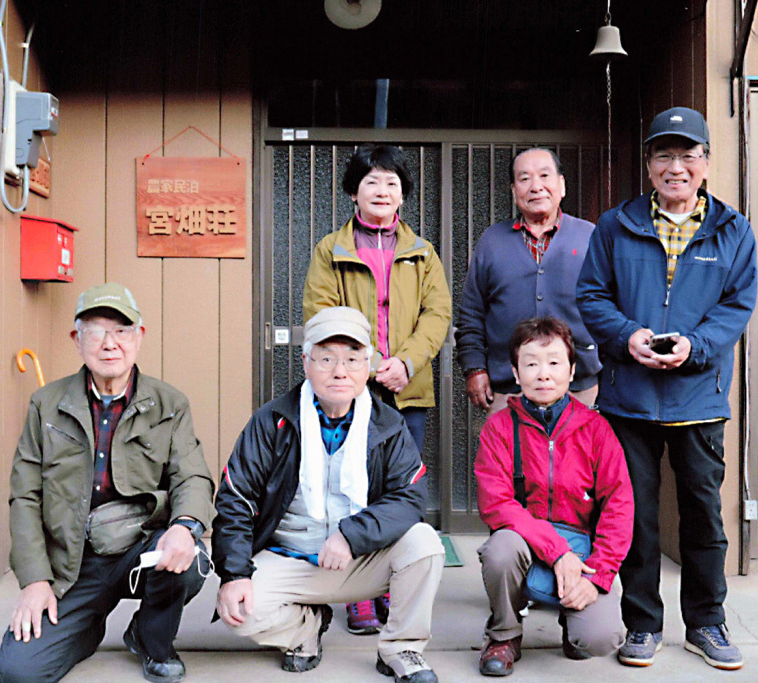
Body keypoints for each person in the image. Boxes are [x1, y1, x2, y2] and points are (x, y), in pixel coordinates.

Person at [577, 107, 758, 671]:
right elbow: (591, 296)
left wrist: (695, 347)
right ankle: (642, 625)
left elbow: (739, 305)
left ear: (705, 162)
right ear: (649, 165)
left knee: (704, 517)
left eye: (687, 155)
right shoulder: (616, 224)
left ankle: (706, 622)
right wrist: (628, 335)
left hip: (698, 398)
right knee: (633, 518)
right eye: (663, 155)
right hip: (627, 399)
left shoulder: (732, 230)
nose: (675, 167)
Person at [0, 283, 216, 683]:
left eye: (121, 330)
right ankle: (84, 625)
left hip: (140, 548)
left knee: (191, 559)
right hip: (73, 564)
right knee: (19, 673)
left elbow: (193, 476)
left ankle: (151, 639)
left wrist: (186, 526)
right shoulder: (46, 404)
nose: (109, 343)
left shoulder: (170, 403)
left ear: (139, 338)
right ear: (77, 340)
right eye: (96, 331)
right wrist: (34, 580)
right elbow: (25, 496)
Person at [212, 307, 444, 683]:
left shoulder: (387, 423)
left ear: (367, 363)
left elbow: (411, 496)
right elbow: (236, 499)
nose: (340, 371)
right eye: (326, 358)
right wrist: (234, 573)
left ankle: (402, 647)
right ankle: (306, 628)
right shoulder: (272, 422)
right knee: (240, 612)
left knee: (424, 544)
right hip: (290, 558)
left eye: (353, 359)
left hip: (360, 557)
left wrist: (353, 535)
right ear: (306, 362)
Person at [302, 143, 451, 635]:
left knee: (397, 488)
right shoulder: (331, 249)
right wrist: (364, 365)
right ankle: (353, 592)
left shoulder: (422, 252)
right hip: (350, 385)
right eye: (372, 181)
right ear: (353, 193)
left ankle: (390, 583)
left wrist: (406, 362)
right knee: (346, 483)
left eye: (391, 183)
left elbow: (438, 314)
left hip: (406, 388)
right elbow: (320, 313)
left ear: (403, 195)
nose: (382, 190)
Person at [474, 316, 633, 676]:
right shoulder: (499, 428)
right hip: (525, 542)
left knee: (601, 639)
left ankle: (571, 622)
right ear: (515, 373)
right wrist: (555, 551)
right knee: (500, 551)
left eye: (554, 363)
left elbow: (618, 506)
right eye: (530, 363)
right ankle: (504, 633)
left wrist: (598, 576)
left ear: (572, 370)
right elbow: (497, 503)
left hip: (582, 551)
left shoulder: (596, 429)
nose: (543, 374)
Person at [457, 148, 601, 414]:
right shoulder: (492, 241)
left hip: (580, 386)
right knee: (508, 456)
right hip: (507, 389)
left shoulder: (590, 237)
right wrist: (474, 368)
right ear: (514, 190)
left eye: (544, 176)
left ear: (562, 185)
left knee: (577, 456)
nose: (536, 187)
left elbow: (610, 306)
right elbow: (471, 314)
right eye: (524, 179)